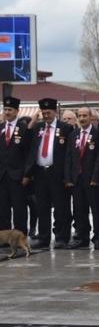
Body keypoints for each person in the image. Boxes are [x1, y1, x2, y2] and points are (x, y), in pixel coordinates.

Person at [25, 98, 74, 249]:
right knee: (42, 207)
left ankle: (61, 237)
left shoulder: (65, 128)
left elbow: (70, 154)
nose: (46, 115)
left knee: (61, 207)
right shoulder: (38, 128)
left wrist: (67, 176)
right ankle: (44, 237)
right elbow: (28, 144)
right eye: (43, 113)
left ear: (55, 112)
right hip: (40, 172)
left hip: (57, 172)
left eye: (48, 112)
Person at [65, 107, 99, 250]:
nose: (82, 118)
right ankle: (83, 236)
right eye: (80, 116)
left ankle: (98, 236)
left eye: (85, 116)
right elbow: (69, 157)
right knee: (79, 209)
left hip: (93, 179)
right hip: (77, 179)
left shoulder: (97, 134)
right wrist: (68, 178)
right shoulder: (74, 135)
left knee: (97, 209)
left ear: (90, 117)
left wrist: (96, 177)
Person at [1, 96, 33, 234]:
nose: (7, 112)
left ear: (17, 111)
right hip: (2, 176)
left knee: (19, 208)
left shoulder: (24, 129)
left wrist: (27, 174)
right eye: (5, 109)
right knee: (3, 208)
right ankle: (4, 237)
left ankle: (20, 236)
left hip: (18, 176)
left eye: (10, 110)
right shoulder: (1, 128)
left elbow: (29, 154)